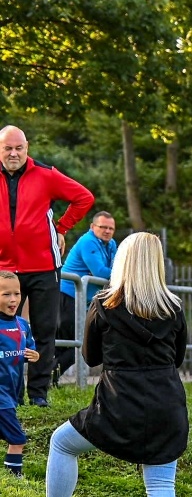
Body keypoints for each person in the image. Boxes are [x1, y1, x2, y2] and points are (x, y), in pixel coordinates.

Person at [39, 232, 187, 497]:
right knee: (162, 482)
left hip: (118, 402)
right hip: (167, 403)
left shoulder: (104, 304)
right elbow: (177, 358)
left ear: (121, 260)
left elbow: (89, 357)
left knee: (62, 443)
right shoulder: (174, 307)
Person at [0, 125, 96, 406]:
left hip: (43, 265)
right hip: (5, 270)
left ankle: (38, 394)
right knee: (5, 332)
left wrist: (61, 228)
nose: (14, 153)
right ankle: (9, 393)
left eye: (19, 148)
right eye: (8, 148)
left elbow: (83, 198)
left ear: (27, 147)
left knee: (45, 331)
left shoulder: (45, 175)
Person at [56, 210, 117, 380]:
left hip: (84, 300)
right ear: (92, 227)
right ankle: (47, 377)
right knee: (76, 342)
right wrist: (124, 274)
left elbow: (113, 268)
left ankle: (48, 378)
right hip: (68, 296)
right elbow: (101, 272)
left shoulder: (111, 244)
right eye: (103, 227)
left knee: (71, 343)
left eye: (111, 228)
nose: (107, 231)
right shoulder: (88, 242)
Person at [0, 272, 40, 474]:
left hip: (12, 393)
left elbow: (30, 350)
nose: (14, 299)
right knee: (18, 438)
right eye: (6, 294)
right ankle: (14, 478)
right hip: (1, 397)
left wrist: (34, 355)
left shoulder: (22, 325)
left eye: (17, 293)